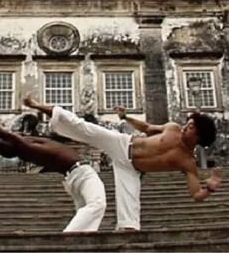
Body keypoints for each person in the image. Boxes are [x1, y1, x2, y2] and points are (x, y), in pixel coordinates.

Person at [23, 96, 222, 232]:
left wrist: (210, 189)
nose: (186, 127)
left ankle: (125, 235)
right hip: (123, 144)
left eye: (191, 128)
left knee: (131, 211)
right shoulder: (172, 129)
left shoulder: (187, 162)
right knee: (84, 127)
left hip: (132, 169)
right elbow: (146, 127)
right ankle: (38, 105)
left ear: (198, 136)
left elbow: (196, 194)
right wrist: (125, 117)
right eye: (188, 124)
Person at [0, 115, 106, 232]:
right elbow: (0, 133)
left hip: (71, 179)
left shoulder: (26, 148)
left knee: (84, 211)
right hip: (82, 172)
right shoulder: (25, 145)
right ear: (15, 143)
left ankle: (82, 238)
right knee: (97, 203)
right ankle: (68, 237)